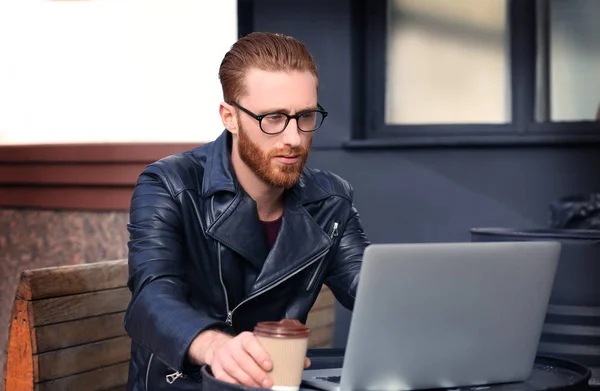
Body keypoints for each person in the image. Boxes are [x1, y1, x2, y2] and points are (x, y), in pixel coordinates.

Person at [124, 32, 370, 391]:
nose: (293, 138)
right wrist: (214, 346)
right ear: (230, 117)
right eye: (272, 118)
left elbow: (369, 290)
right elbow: (151, 297)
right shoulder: (170, 185)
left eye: (305, 116)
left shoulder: (330, 200)